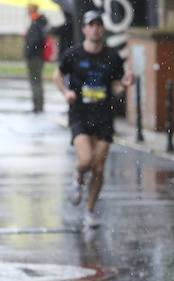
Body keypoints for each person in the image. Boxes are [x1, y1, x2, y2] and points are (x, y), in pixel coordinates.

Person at [53, 9, 132, 227]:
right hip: (80, 114)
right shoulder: (73, 55)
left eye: (99, 25)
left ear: (102, 29)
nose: (96, 29)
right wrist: (65, 92)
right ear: (85, 29)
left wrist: (123, 86)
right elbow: (57, 75)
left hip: (104, 116)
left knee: (98, 166)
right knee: (86, 160)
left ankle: (89, 210)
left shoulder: (112, 57)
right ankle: (77, 177)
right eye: (92, 25)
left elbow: (115, 87)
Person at [24, 3, 50, 113]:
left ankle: (38, 107)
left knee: (35, 82)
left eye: (28, 8)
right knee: (36, 81)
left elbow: (35, 41)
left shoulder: (36, 23)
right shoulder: (38, 22)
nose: (26, 10)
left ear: (33, 9)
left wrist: (28, 52)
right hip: (37, 56)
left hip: (35, 57)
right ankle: (38, 106)